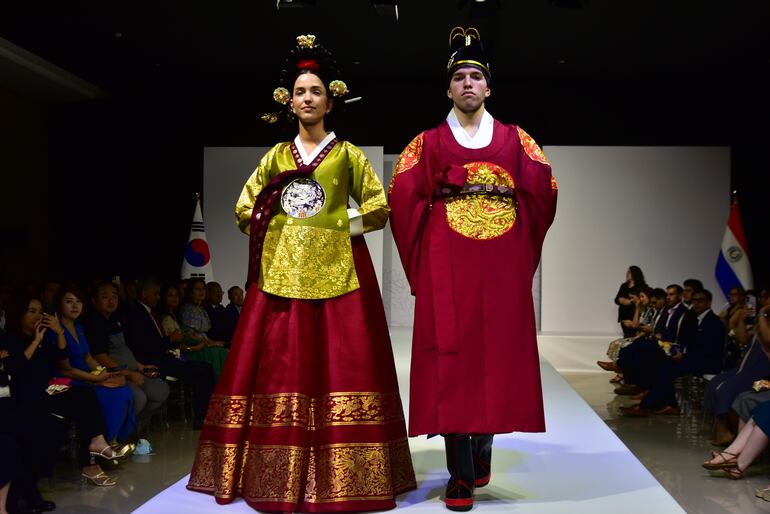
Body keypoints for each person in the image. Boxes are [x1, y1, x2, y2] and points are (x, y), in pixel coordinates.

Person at [187, 34, 416, 512]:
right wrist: (284, 227)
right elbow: (244, 209)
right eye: (300, 92)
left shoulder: (347, 155)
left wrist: (335, 225)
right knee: (281, 366)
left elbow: (378, 208)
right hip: (282, 278)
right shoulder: (275, 157)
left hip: (341, 274)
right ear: (289, 102)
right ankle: (274, 471)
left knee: (345, 363)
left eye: (316, 91)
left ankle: (348, 473)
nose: (307, 98)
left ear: (330, 101)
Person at [388, 27, 557, 511]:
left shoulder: (516, 139)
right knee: (452, 360)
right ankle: (459, 474)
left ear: (488, 87)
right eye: (459, 77)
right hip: (448, 263)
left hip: (501, 264)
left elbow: (544, 191)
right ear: (448, 89)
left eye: (475, 77)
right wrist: (426, 246)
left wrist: (520, 245)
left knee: (496, 357)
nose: (467, 84)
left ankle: (483, 445)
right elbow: (403, 198)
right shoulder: (427, 142)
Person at [2, 293, 128, 489]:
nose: (37, 316)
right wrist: (35, 342)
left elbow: (60, 356)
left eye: (39, 312)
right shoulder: (10, 339)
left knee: (85, 395)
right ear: (20, 313)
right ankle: (91, 461)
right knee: (75, 409)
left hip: (46, 392)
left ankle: (97, 444)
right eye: (31, 311)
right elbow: (15, 367)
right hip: (25, 397)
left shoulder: (42, 337)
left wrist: (59, 333)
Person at [125, 279, 214, 429]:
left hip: (165, 356)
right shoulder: (137, 314)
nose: (158, 297)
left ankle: (204, 414)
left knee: (206, 367)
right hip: (153, 361)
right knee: (203, 370)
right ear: (144, 293)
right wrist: (170, 340)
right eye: (155, 293)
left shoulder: (150, 312)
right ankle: (201, 417)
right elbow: (144, 345)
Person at [83, 281, 170, 434]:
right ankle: (118, 435)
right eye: (105, 297)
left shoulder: (116, 319)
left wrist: (141, 367)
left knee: (161, 391)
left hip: (132, 370)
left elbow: (124, 350)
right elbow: (100, 357)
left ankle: (134, 429)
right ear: (94, 300)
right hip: (113, 376)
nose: (111, 301)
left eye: (114, 296)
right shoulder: (93, 323)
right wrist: (129, 374)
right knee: (139, 398)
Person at [53, 286, 136, 444]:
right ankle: (104, 442)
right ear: (59, 304)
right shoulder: (55, 331)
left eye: (78, 302)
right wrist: (95, 378)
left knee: (124, 390)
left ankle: (115, 440)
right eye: (69, 302)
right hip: (69, 381)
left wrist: (103, 372)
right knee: (114, 395)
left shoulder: (78, 327)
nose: (75, 306)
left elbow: (88, 357)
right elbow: (66, 370)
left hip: (88, 376)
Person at [178, 278, 229, 380]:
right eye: (197, 289)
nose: (201, 292)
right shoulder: (188, 309)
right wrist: (209, 343)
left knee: (225, 349)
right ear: (190, 292)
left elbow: (204, 334)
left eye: (203, 289)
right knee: (219, 352)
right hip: (194, 349)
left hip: (204, 345)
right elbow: (189, 335)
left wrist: (214, 342)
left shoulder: (201, 308)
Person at [615, 266, 647, 337]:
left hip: (634, 316)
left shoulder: (641, 286)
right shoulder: (624, 286)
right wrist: (620, 300)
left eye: (629, 272)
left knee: (633, 336)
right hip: (623, 316)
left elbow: (643, 300)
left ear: (635, 273)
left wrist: (630, 302)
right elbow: (616, 300)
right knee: (626, 336)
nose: (626, 273)